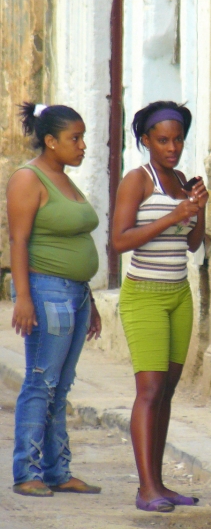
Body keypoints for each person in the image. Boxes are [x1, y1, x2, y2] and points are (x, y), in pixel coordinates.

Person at [112, 101, 208, 513]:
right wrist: (174, 216)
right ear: (146, 141)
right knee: (149, 390)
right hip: (144, 297)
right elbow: (119, 240)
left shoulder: (182, 180)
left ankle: (161, 483)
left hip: (178, 295)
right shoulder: (138, 180)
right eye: (163, 140)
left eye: (178, 139)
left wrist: (197, 209)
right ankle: (145, 487)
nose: (172, 147)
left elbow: (192, 243)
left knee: (166, 391)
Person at [7, 102, 102, 498]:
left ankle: (58, 471)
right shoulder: (29, 179)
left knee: (60, 387)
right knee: (40, 382)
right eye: (74, 139)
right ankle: (26, 472)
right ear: (50, 141)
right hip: (47, 293)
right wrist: (23, 298)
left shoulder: (64, 178)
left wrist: (90, 299)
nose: (82, 146)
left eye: (82, 138)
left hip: (76, 295)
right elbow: (18, 240)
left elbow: (75, 239)